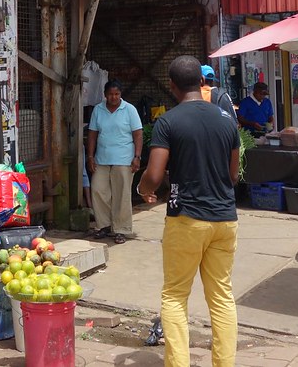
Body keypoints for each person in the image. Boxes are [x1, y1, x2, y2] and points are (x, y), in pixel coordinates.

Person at [137, 55, 240, 367]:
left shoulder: (168, 122)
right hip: (225, 219)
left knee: (175, 296)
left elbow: (154, 175)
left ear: (172, 86)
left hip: (187, 219)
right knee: (221, 297)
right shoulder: (225, 119)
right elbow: (233, 176)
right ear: (202, 82)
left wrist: (144, 188)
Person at [86, 81, 143, 245]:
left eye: (117, 94)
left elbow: (138, 134)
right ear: (105, 94)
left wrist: (137, 157)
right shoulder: (98, 109)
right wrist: (90, 157)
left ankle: (121, 229)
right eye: (111, 94)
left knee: (122, 194)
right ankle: (103, 225)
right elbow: (92, 134)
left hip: (124, 159)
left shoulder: (129, 110)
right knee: (98, 190)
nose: (114, 97)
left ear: (121, 94)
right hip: (102, 158)